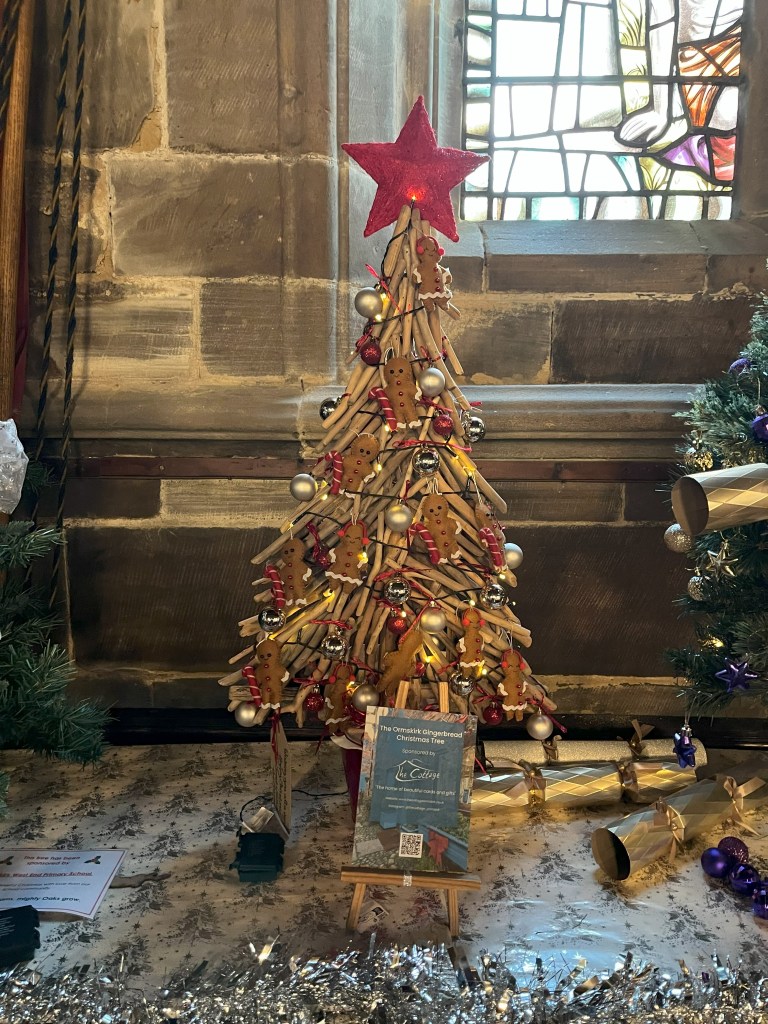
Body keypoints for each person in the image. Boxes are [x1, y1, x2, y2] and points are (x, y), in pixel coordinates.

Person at [616, 0, 742, 182]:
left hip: (743, 47)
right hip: (696, 65)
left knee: (737, 108)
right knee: (727, 111)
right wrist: (660, 111)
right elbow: (661, 17)